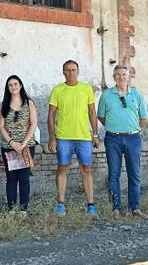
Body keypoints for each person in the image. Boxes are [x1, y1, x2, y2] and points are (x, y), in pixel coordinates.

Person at [47, 60, 101, 218]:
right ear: (63, 72)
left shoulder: (86, 89)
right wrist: (52, 138)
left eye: (73, 70)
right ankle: (61, 205)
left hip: (84, 137)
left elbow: (92, 112)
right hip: (64, 137)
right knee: (62, 168)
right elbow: (50, 115)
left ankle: (91, 206)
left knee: (86, 169)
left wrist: (95, 135)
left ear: (78, 71)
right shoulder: (58, 90)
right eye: (68, 70)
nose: (71, 73)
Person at [98, 64, 148, 218]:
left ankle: (135, 208)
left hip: (133, 138)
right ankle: (116, 208)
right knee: (114, 174)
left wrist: (131, 128)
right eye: (118, 75)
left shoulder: (137, 95)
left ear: (129, 77)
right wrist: (115, 126)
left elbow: (144, 118)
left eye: (124, 74)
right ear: (114, 77)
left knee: (134, 173)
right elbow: (101, 116)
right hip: (113, 138)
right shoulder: (106, 95)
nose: (121, 77)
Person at [0, 75, 38, 212]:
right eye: (10, 85)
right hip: (8, 147)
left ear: (20, 86)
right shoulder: (4, 104)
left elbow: (33, 124)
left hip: (26, 147)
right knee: (11, 179)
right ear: (7, 88)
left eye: (16, 84)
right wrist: (12, 142)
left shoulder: (29, 103)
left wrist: (23, 144)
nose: (13, 87)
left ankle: (23, 210)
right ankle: (12, 209)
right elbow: (1, 126)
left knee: (24, 178)